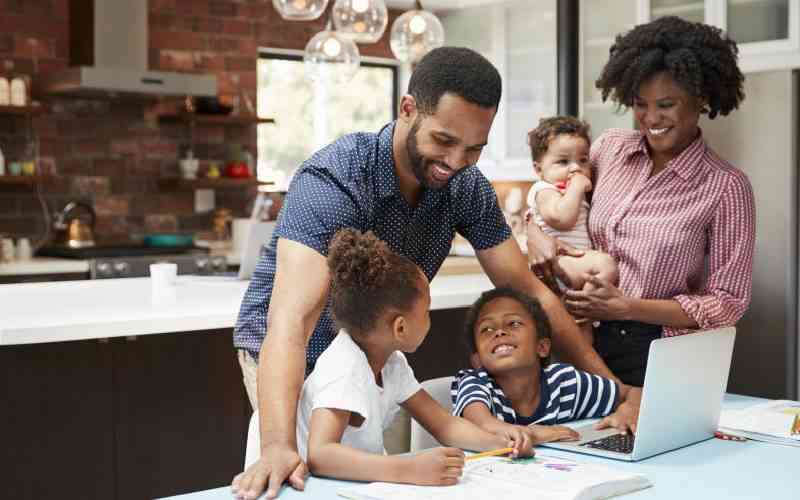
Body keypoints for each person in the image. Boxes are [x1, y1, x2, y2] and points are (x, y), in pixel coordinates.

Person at [231, 46, 614, 499]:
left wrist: (616, 392)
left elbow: (529, 290)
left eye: (473, 149)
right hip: (296, 353)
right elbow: (291, 323)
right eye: (445, 141)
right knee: (297, 476)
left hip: (372, 355)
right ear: (408, 109)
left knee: (367, 477)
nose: (455, 162)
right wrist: (277, 445)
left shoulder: (464, 187)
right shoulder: (336, 179)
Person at [528, 16, 755, 387]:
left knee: (641, 442)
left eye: (666, 104)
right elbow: (553, 196)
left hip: (652, 347)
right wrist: (533, 233)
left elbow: (727, 303)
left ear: (701, 99)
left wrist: (627, 306)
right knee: (575, 442)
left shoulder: (725, 187)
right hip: (577, 332)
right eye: (640, 104)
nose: (651, 118)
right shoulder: (609, 149)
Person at [234, 229, 532, 496]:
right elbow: (321, 455)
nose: (430, 318)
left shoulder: (391, 363)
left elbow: (445, 425)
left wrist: (500, 444)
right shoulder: (345, 367)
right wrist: (408, 469)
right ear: (400, 328)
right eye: (426, 311)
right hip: (300, 489)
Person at [451, 287, 641, 445]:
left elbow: (634, 392)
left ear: (541, 347)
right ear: (477, 360)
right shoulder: (475, 383)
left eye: (513, 323)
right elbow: (482, 424)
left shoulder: (565, 383)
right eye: (487, 329)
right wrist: (533, 434)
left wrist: (629, 408)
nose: (499, 332)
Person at [525, 116, 618, 343]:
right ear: (539, 169)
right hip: (557, 262)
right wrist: (577, 186)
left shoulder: (570, 191)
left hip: (573, 263)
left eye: (583, 160)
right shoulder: (544, 189)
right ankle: (582, 304)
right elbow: (561, 218)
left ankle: (580, 317)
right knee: (606, 264)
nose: (575, 168)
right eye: (563, 162)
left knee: (583, 341)